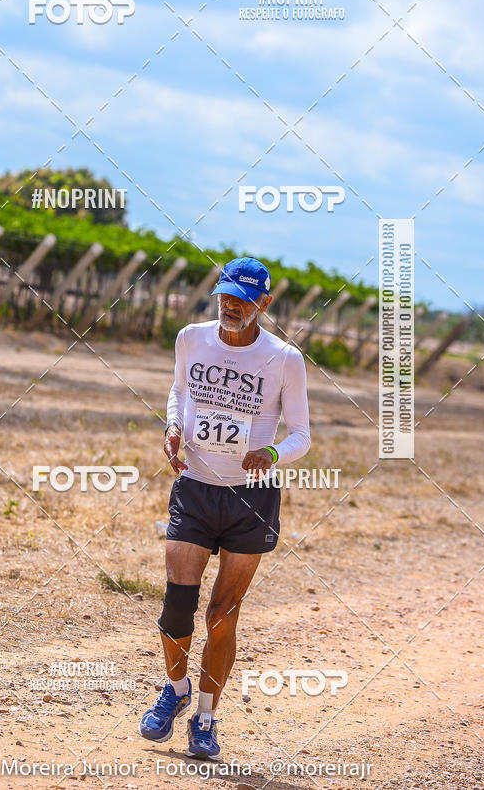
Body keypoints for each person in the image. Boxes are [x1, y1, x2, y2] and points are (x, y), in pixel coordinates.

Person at [139, 256, 311, 759]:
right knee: (177, 606)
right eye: (225, 294)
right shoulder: (191, 338)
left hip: (250, 500)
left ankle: (207, 717)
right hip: (194, 488)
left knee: (222, 615)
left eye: (243, 297)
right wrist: (172, 427)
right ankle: (174, 690)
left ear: (264, 302)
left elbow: (301, 434)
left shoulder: (285, 359)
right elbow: (179, 391)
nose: (231, 305)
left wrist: (272, 452)